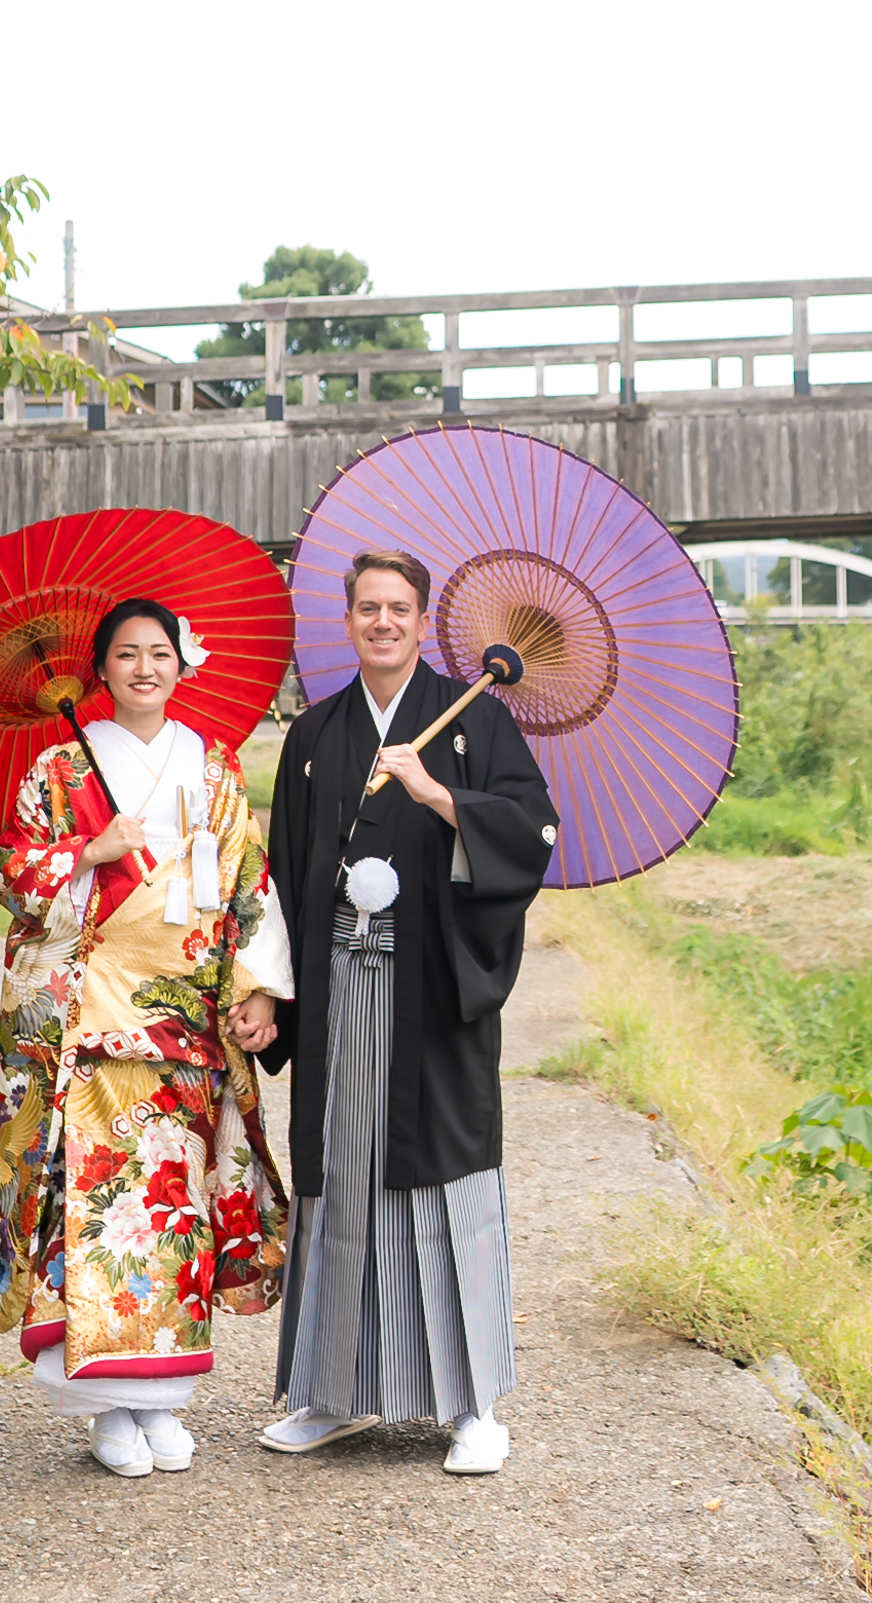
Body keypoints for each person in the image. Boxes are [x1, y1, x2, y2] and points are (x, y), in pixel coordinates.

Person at [240, 548, 556, 1475]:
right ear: (349, 621)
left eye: (399, 608)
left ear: (424, 622)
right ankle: (333, 1393)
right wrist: (267, 986)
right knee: (341, 1177)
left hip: (432, 988)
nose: (383, 622)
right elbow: (283, 876)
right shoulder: (314, 734)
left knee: (443, 1182)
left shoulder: (475, 719)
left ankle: (472, 1404)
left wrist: (439, 794)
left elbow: (533, 832)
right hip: (339, 987)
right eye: (368, 608)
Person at [0, 597, 293, 1478]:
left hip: (187, 1018)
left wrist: (257, 990)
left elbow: (249, 885)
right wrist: (87, 853)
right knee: (96, 1206)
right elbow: (11, 870)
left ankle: (160, 1400)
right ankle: (105, 1408)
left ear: (181, 665)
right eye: (127, 654)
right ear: (101, 670)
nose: (145, 669)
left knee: (172, 1206)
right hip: (90, 1019)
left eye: (160, 653)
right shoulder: (59, 768)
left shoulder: (215, 765)